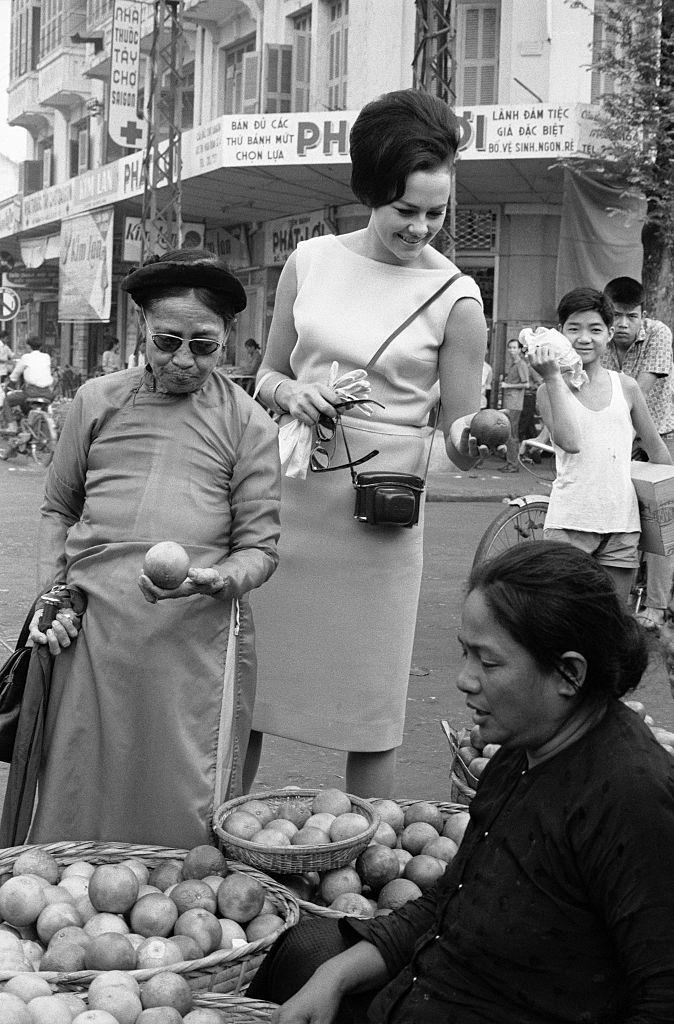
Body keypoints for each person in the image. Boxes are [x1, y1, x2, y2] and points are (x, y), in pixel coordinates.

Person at [248, 541, 674, 1024]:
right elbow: (450, 903)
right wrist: (334, 976)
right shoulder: (521, 751)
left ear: (569, 673)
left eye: (488, 663)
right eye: (464, 653)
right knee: (307, 948)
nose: (465, 679)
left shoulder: (630, 795)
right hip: (431, 991)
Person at [246, 89, 488, 798]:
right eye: (403, 209)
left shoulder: (456, 298)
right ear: (368, 191)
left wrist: (478, 438)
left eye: (435, 212)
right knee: (250, 691)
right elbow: (265, 373)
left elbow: (461, 431)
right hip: (286, 497)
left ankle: (371, 872)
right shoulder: (310, 261)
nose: (420, 228)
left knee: (371, 703)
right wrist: (290, 392)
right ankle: (223, 838)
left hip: (379, 513)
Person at [23, 249, 281, 848]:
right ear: (139, 328)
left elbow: (260, 548)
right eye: (167, 341)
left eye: (203, 346)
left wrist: (219, 579)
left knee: (182, 816)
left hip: (193, 646)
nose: (183, 360)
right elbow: (58, 510)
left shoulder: (248, 424)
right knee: (77, 791)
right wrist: (51, 599)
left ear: (228, 339)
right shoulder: (96, 400)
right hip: (90, 635)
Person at [533, 287, 671, 605]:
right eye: (574, 329)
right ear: (560, 333)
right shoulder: (548, 390)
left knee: (612, 625)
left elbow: (656, 450)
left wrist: (668, 498)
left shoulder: (627, 387)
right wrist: (553, 378)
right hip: (569, 523)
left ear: (609, 334)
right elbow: (569, 442)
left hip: (622, 526)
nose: (585, 338)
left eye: (595, 329)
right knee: (563, 618)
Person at [602, 276, 674, 631]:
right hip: (620, 437)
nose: (623, 325)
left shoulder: (658, 335)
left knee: (660, 522)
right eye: (616, 316)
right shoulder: (598, 337)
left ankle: (658, 607)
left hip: (662, 436)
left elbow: (636, 394)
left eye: (631, 316)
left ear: (642, 314)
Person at [498, 337, 529, 472]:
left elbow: (526, 383)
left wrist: (507, 385)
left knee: (512, 435)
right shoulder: (514, 364)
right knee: (509, 434)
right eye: (510, 347)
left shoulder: (521, 364)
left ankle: (513, 465)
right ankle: (511, 463)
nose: (511, 350)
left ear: (520, 349)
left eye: (514, 348)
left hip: (515, 404)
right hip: (511, 402)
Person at [0, 330, 14, 431]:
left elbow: (12, 355)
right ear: (3, 337)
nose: (8, 339)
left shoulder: (6, 347)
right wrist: (7, 361)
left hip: (4, 372)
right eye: (7, 338)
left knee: (3, 389)